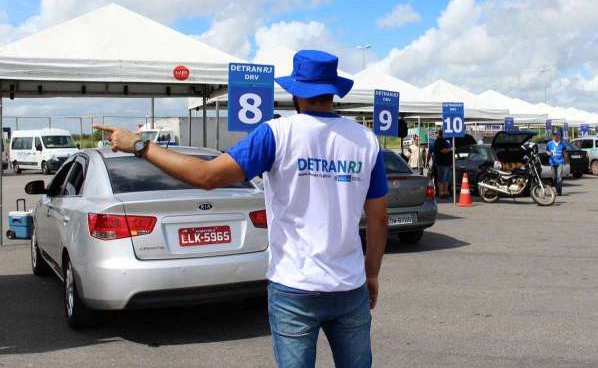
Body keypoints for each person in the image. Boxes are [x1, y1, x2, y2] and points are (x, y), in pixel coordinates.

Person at [96, 50, 389, 368]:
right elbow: (379, 219)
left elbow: (206, 176)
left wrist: (140, 146)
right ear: (332, 90)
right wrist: (371, 272)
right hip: (349, 286)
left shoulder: (277, 134)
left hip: (294, 287)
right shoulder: (365, 140)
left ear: (294, 92)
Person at [428, 129, 453, 198]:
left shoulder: (445, 141)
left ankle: (445, 191)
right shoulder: (438, 141)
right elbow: (442, 151)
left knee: (447, 178)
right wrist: (451, 149)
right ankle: (441, 192)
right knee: (441, 178)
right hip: (441, 163)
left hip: (448, 163)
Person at [546, 130, 567, 196]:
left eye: (556, 135)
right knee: (554, 177)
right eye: (554, 135)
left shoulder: (562, 144)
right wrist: (548, 153)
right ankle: (557, 189)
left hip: (560, 162)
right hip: (552, 162)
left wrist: (565, 161)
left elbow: (564, 153)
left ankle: (559, 191)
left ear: (559, 136)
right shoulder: (549, 143)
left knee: (559, 177)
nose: (555, 136)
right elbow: (547, 150)